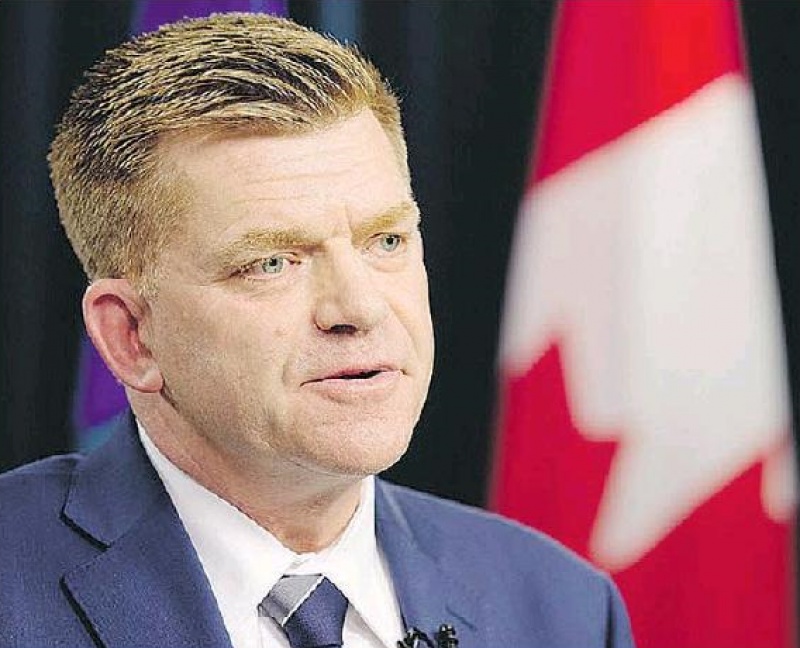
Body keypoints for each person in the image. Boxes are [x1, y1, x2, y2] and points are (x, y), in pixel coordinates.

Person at [0, 13, 634, 648]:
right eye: (272, 263)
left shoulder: (561, 608)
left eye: (386, 241)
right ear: (131, 337)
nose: (360, 307)